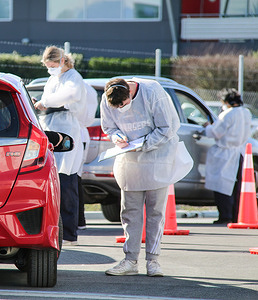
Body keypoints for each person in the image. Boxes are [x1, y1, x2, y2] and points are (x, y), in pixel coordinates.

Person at [101, 77, 180, 277]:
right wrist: (116, 136)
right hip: (129, 159)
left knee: (155, 212)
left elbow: (166, 128)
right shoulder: (107, 97)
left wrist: (143, 145)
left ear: (129, 92)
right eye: (117, 107)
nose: (121, 109)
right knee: (130, 212)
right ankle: (130, 260)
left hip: (157, 156)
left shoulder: (152, 92)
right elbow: (109, 127)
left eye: (124, 104)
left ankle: (153, 261)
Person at [34, 46, 86, 246]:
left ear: (62, 60)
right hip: (50, 126)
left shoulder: (73, 77)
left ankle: (70, 233)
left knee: (66, 180)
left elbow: (69, 96)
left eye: (53, 65)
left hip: (66, 128)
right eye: (47, 66)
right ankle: (54, 228)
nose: (50, 69)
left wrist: (44, 102)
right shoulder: (53, 79)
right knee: (53, 180)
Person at [203, 88, 252, 224]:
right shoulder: (246, 112)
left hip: (224, 153)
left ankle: (225, 216)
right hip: (239, 152)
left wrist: (207, 126)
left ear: (227, 101)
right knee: (236, 187)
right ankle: (235, 216)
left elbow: (215, 133)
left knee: (222, 186)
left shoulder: (227, 114)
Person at [77, 83, 98, 230]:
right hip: (79, 134)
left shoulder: (77, 88)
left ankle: (78, 220)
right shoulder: (86, 88)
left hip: (77, 134)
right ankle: (79, 220)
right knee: (75, 179)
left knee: (73, 180)